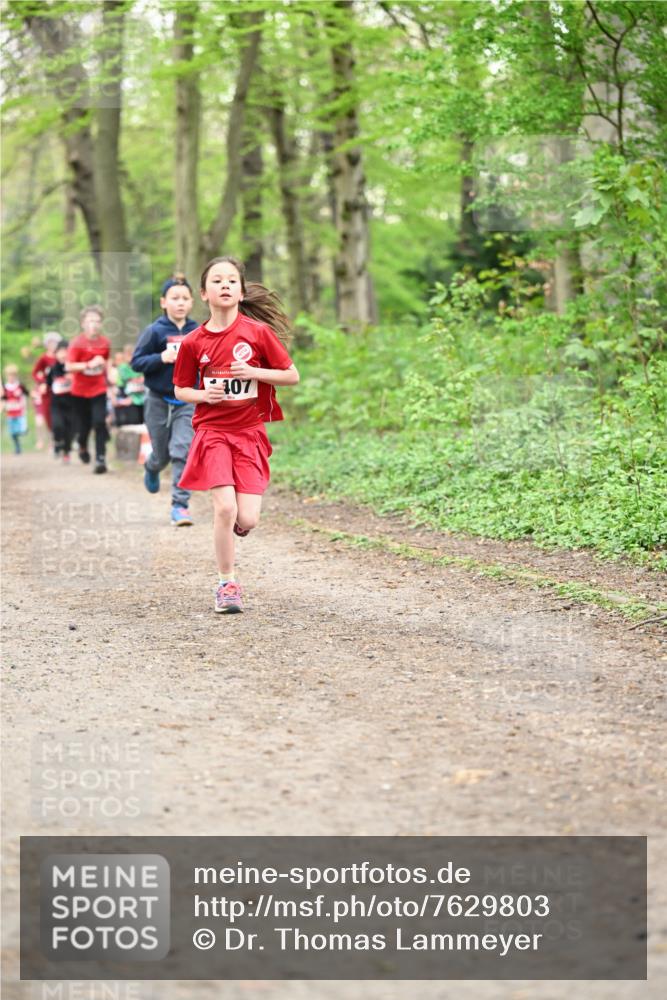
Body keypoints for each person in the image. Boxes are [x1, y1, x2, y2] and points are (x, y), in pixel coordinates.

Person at [173, 255, 299, 614]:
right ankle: (227, 583)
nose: (225, 285)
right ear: (203, 293)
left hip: (248, 432)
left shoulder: (258, 334)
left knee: (248, 519)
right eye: (216, 280)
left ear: (241, 292)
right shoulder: (193, 342)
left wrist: (255, 372)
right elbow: (181, 389)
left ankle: (234, 527)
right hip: (212, 431)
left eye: (231, 280)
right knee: (225, 508)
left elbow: (291, 375)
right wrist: (203, 394)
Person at [131, 275, 199, 526]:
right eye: (175, 298)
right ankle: (152, 467)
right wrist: (161, 358)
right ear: (163, 302)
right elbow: (136, 362)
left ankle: (180, 506)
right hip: (158, 399)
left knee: (182, 449)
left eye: (185, 298)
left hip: (187, 400)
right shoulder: (154, 331)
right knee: (162, 455)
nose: (180, 303)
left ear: (191, 302)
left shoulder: (198, 331)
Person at [66, 305, 111, 474]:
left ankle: (100, 458)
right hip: (79, 392)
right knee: (83, 426)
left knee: (99, 422)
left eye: (97, 321)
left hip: (98, 389)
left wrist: (109, 374)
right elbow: (69, 366)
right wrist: (88, 364)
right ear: (83, 323)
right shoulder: (76, 343)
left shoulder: (105, 342)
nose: (94, 324)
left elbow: (106, 362)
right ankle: (83, 446)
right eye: (90, 321)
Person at [45, 340, 74, 463]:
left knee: (69, 429)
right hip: (56, 404)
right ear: (56, 354)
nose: (63, 355)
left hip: (72, 403)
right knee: (57, 425)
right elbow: (48, 384)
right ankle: (57, 442)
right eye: (60, 352)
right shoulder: (52, 369)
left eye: (65, 352)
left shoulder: (74, 367)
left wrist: (73, 378)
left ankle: (66, 452)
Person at [31, 331, 60, 452]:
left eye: (55, 342)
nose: (52, 345)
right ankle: (54, 441)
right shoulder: (43, 358)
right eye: (50, 342)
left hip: (61, 391)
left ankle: (64, 439)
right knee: (48, 417)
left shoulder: (61, 356)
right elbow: (35, 373)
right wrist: (42, 382)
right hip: (48, 392)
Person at [112, 344, 146, 427]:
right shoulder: (123, 367)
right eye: (129, 354)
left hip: (141, 399)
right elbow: (128, 380)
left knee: (142, 423)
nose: (131, 357)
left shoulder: (140, 365)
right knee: (132, 423)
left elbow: (143, 378)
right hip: (128, 399)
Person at [2, 364, 29, 454]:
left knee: (22, 430)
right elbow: (3, 399)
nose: (11, 377)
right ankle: (17, 447)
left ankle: (23, 432)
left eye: (13, 375)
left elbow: (27, 394)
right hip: (10, 412)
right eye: (9, 375)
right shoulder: (5, 388)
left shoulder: (20, 386)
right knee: (12, 432)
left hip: (20, 411)